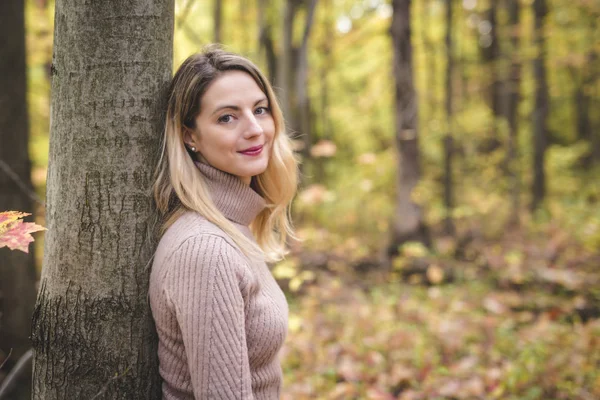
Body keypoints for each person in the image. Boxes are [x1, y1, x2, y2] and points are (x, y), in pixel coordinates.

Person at [149, 46, 299, 399]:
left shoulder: (232, 228)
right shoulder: (206, 250)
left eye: (260, 110)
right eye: (227, 118)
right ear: (190, 136)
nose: (254, 130)